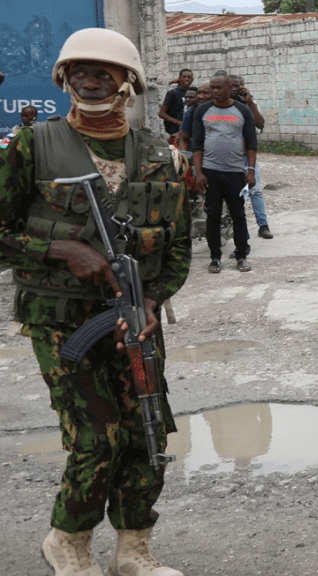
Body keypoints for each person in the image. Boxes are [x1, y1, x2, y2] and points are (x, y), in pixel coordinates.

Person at [0, 28, 190, 576]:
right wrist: (60, 249)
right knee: (97, 437)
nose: (89, 78)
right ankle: (69, 542)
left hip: (135, 320)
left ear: (127, 81)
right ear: (63, 79)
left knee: (146, 428)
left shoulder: (158, 152)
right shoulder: (33, 145)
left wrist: (153, 300)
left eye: (103, 71)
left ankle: (134, 551)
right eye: (78, 70)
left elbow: (176, 247)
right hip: (62, 321)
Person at [192, 72, 258, 273]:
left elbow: (252, 143)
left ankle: (241, 256)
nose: (215, 91)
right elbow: (197, 144)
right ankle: (215, 258)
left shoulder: (242, 110)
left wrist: (251, 171)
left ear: (230, 88)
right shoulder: (202, 110)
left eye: (219, 88)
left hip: (236, 173)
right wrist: (198, 173)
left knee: (238, 214)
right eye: (212, 87)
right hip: (211, 172)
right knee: (213, 215)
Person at [234, 76, 273, 241]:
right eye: (235, 86)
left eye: (241, 86)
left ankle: (263, 225)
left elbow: (260, 123)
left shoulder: (249, 102)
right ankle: (242, 230)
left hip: (248, 155)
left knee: (255, 191)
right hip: (232, 157)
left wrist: (249, 103)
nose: (239, 89)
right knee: (238, 196)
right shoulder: (224, 106)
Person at [158, 68, 192, 142]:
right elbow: (161, 113)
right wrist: (178, 122)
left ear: (192, 79)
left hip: (190, 133)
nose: (186, 79)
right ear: (179, 79)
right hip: (175, 133)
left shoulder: (193, 93)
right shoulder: (173, 93)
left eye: (189, 77)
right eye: (184, 77)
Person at [178, 81, 210, 151]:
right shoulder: (192, 111)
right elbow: (184, 139)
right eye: (199, 93)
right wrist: (185, 158)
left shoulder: (225, 111)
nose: (201, 96)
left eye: (205, 93)